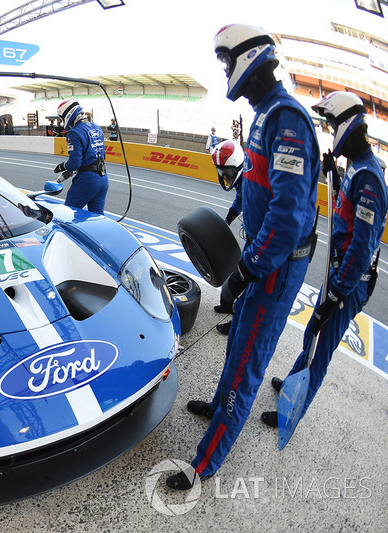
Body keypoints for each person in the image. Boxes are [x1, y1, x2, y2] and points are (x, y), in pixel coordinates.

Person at [167, 24, 320, 490]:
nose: (226, 71)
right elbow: (258, 186)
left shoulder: (287, 120)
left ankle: (204, 463)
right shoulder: (265, 115)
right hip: (261, 257)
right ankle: (217, 406)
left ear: (250, 59)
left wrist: (247, 270)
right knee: (236, 343)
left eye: (228, 62)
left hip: (274, 265)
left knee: (249, 356)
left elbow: (289, 217)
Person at [261, 92, 387, 428]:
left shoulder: (370, 179)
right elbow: (345, 211)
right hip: (338, 276)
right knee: (311, 336)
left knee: (320, 350)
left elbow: (361, 248)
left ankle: (292, 413)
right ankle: (292, 384)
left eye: (332, 123)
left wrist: (335, 296)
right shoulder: (358, 167)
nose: (330, 130)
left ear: (347, 124)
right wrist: (334, 172)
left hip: (348, 283)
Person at [210, 139, 246, 336]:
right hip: (252, 236)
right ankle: (227, 304)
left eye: (228, 172)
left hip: (260, 241)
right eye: (221, 171)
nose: (225, 176)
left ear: (238, 166)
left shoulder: (253, 183)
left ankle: (238, 322)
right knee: (237, 276)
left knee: (249, 281)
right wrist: (229, 219)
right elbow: (239, 200)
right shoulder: (243, 181)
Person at [52, 99, 109, 215]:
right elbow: (103, 155)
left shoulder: (74, 132)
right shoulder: (96, 128)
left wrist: (64, 166)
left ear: (67, 114)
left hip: (87, 180)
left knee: (69, 214)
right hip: (103, 179)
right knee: (97, 218)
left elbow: (75, 163)